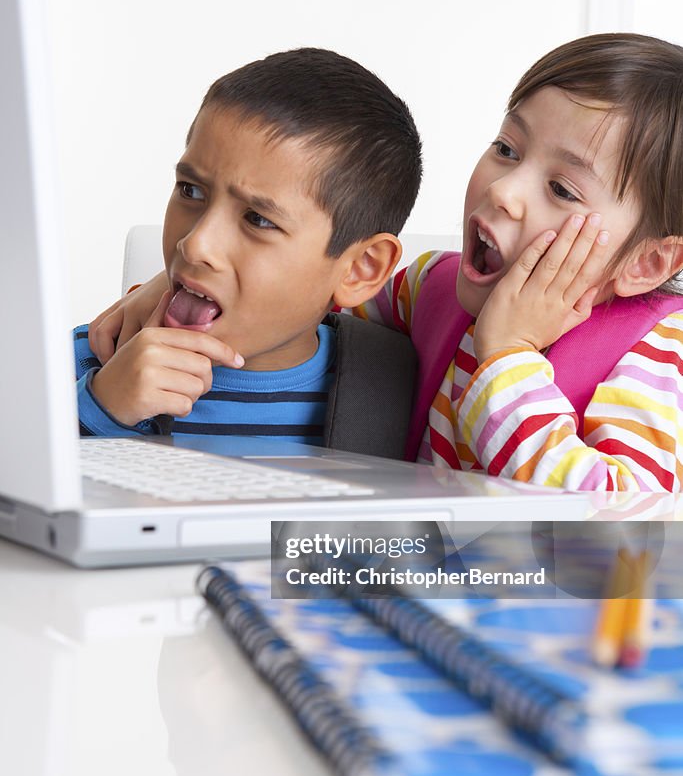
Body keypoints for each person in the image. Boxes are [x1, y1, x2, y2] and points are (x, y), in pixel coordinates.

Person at [88, 33, 683, 491]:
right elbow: (310, 284)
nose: (505, 190)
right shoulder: (434, 287)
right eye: (507, 149)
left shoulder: (656, 353)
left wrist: (507, 356)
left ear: (648, 263)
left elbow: (622, 536)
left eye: (563, 190)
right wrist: (183, 276)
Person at [75, 47, 422, 451]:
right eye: (191, 191)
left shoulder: (404, 393)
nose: (196, 243)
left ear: (360, 268)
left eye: (257, 219)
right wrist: (100, 409)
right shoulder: (88, 362)